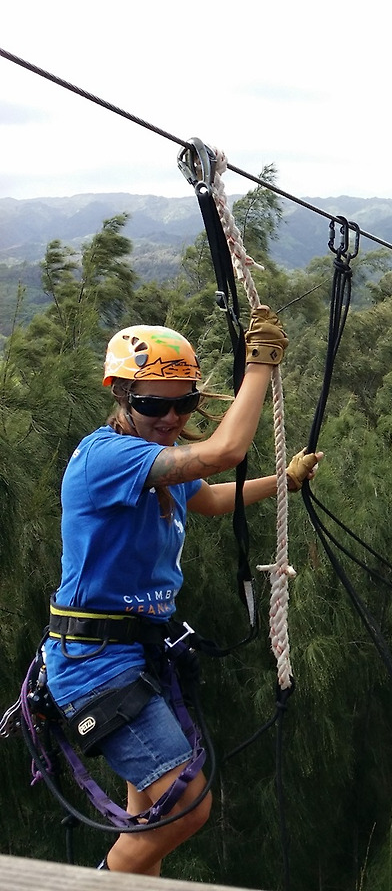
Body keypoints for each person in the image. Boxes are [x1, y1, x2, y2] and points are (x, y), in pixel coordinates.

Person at [43, 309, 322, 875]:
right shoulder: (108, 457)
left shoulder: (152, 462)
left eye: (184, 404)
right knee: (185, 805)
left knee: (147, 811)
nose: (170, 418)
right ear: (121, 396)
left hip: (132, 652)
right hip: (96, 660)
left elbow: (211, 496)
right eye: (153, 405)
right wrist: (260, 366)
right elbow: (224, 453)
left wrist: (284, 482)